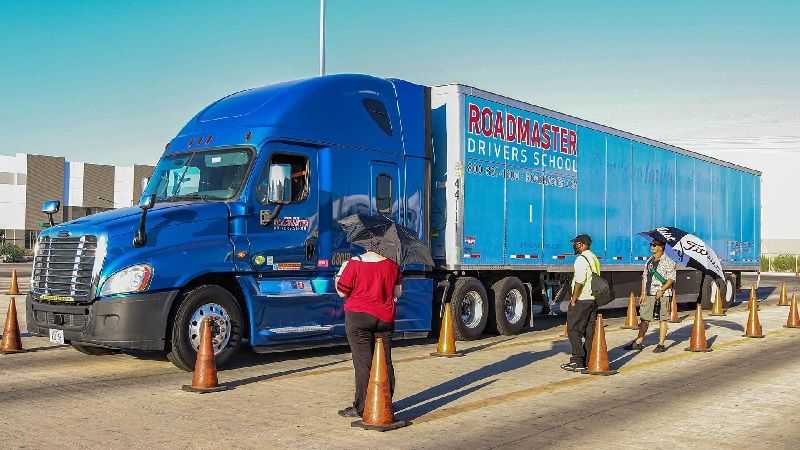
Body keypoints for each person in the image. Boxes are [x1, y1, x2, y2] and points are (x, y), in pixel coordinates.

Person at [335, 249, 403, 418]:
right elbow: (398, 293)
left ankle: (362, 407)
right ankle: (385, 402)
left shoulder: (353, 263)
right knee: (384, 361)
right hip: (385, 319)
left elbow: (342, 291)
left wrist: (338, 276)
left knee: (363, 364)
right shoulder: (393, 265)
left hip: (359, 319)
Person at [625, 239, 677, 352]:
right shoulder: (649, 260)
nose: (652, 247)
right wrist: (643, 292)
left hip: (662, 294)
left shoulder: (668, 261)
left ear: (661, 247)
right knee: (644, 318)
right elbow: (645, 277)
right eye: (651, 244)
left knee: (663, 319)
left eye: (654, 245)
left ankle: (661, 344)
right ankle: (638, 342)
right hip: (649, 293)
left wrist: (662, 289)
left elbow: (671, 279)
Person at [561, 234, 601, 372]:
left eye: (577, 243)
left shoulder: (581, 259)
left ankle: (577, 361)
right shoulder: (594, 257)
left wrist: (573, 298)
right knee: (589, 331)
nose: (575, 246)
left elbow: (579, 281)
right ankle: (589, 358)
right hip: (593, 299)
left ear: (582, 244)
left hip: (582, 299)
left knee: (573, 330)